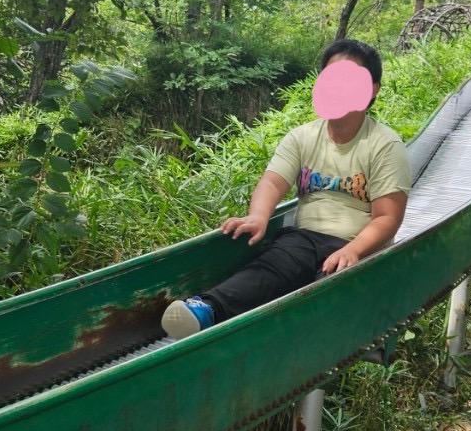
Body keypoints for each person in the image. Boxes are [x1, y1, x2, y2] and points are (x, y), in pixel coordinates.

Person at [161, 38, 410, 339]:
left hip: (357, 245)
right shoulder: (302, 137)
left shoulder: (383, 145)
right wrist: (258, 216)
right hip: (305, 239)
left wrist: (353, 251)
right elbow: (273, 181)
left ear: (372, 90)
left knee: (328, 285)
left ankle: (294, 342)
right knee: (273, 266)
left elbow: (387, 217)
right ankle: (208, 308)